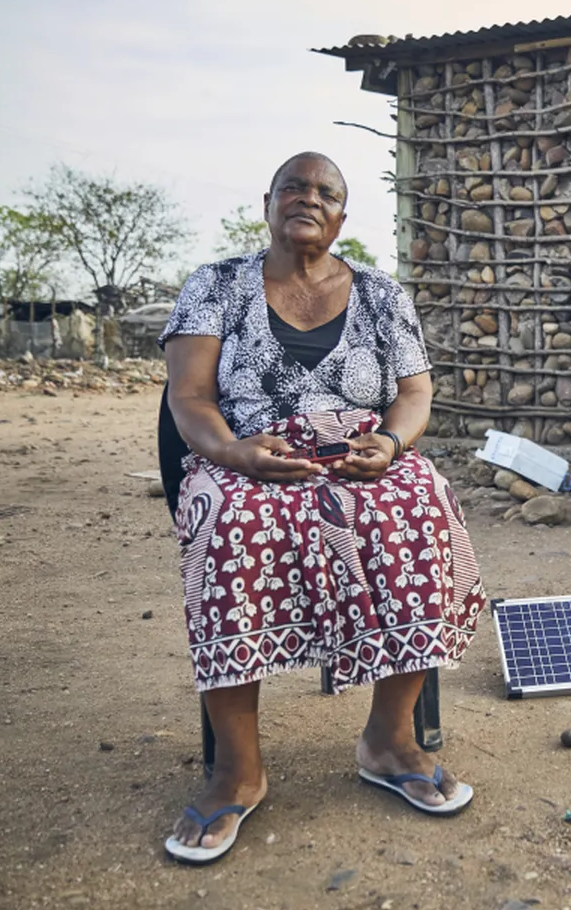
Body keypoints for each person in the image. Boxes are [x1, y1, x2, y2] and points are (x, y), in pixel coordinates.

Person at [158, 152, 486, 864]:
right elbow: (189, 399)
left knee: (421, 504)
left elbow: (414, 393)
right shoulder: (215, 285)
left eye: (326, 191)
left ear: (343, 215)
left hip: (357, 453)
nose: (309, 197)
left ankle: (389, 741)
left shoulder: (380, 293)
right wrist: (236, 455)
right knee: (230, 522)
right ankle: (237, 770)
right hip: (249, 455)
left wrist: (393, 442)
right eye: (294, 187)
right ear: (268, 202)